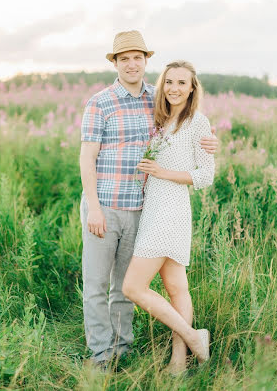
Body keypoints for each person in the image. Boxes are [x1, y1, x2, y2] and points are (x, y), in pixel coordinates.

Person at [79, 31, 218, 367]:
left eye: (137, 57)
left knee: (127, 289)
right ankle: (101, 355)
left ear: (145, 61)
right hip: (105, 206)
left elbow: (192, 139)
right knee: (98, 286)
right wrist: (93, 207)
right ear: (115, 62)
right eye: (123, 58)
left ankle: (123, 350)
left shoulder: (155, 102)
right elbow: (87, 157)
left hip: (143, 210)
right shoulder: (102, 102)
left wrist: (212, 143)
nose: (131, 64)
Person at [122, 60, 214, 375]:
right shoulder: (160, 120)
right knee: (176, 287)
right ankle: (178, 363)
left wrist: (163, 173)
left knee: (133, 287)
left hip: (171, 210)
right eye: (169, 82)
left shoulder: (198, 123)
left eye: (182, 83)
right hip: (153, 208)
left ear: (192, 89)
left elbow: (206, 175)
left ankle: (192, 337)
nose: (175, 89)